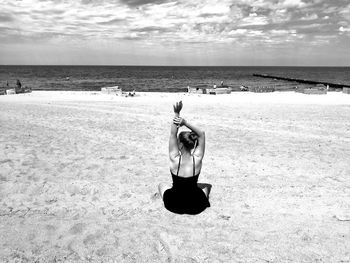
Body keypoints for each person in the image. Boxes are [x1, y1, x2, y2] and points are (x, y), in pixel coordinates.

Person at [158, 101, 211, 215]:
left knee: (161, 185)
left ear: (180, 144)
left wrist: (177, 114)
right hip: (196, 205)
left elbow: (172, 134)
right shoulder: (197, 159)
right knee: (206, 186)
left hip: (174, 204)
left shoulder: (174, 159)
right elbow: (201, 134)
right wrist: (185, 123)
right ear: (192, 144)